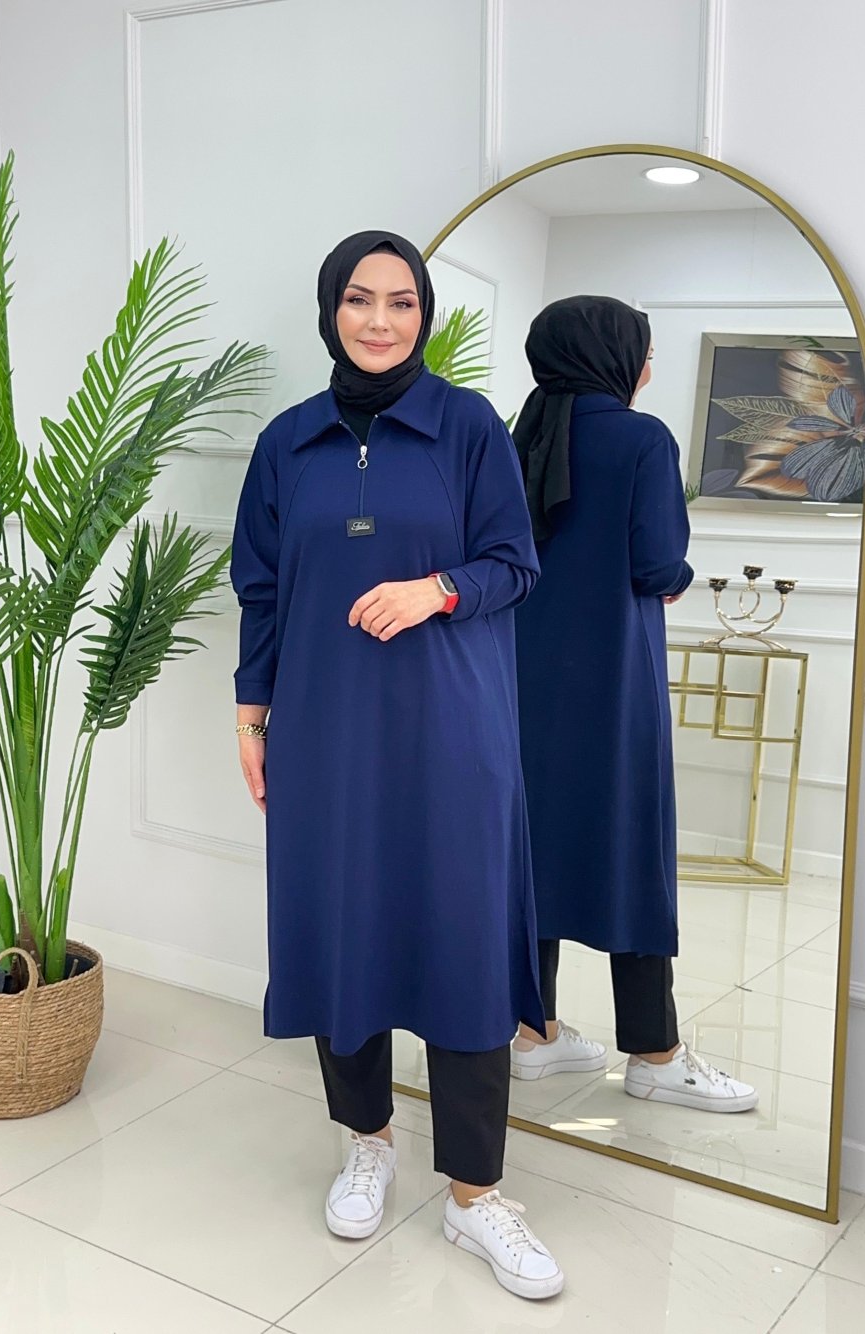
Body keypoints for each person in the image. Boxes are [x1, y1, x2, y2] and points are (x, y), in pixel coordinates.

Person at [230, 231, 564, 1300]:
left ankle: (475, 1195)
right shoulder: (287, 443)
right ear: (331, 309)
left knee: (463, 942)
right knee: (344, 929)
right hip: (324, 728)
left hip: (453, 731)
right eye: (360, 300)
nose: (380, 320)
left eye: (402, 302)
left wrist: (437, 590)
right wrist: (251, 708)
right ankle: (365, 1141)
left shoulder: (467, 427)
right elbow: (261, 589)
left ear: (423, 315)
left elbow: (516, 564)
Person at [509, 295, 758, 1114]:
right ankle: (655, 1053)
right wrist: (677, 577)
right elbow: (657, 564)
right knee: (634, 847)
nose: (648, 366)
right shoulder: (642, 440)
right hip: (612, 685)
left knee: (532, 847)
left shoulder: (519, 437)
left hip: (518, 681)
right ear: (614, 358)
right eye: (644, 351)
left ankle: (534, 1033)